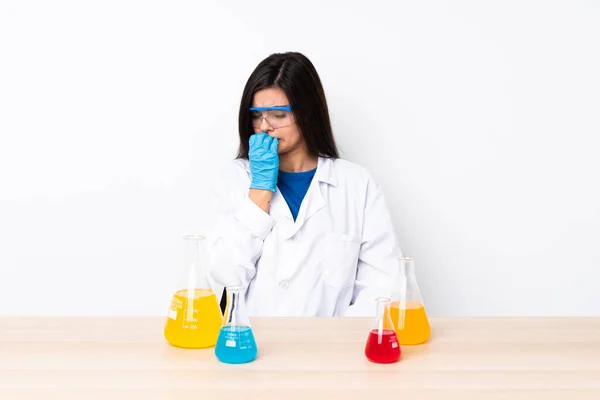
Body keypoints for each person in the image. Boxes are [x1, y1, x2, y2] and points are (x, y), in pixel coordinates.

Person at [207, 52, 403, 317]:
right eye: (256, 116)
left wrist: (333, 345)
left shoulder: (356, 185)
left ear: (308, 113)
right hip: (252, 348)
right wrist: (260, 192)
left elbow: (383, 288)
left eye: (278, 115)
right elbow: (224, 278)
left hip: (331, 351)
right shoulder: (236, 179)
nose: (265, 126)